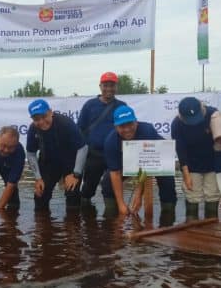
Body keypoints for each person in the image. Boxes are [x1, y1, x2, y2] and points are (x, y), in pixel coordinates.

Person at [101, 105, 177, 221]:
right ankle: (113, 213)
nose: (127, 129)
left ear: (136, 122)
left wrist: (138, 193)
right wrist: (122, 204)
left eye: (130, 124)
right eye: (122, 126)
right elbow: (115, 173)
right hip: (127, 161)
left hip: (156, 157)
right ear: (116, 127)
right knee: (107, 182)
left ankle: (168, 216)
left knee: (168, 180)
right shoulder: (110, 142)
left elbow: (146, 166)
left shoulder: (147, 131)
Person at [26, 99, 88, 211]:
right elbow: (31, 153)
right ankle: (42, 227)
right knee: (40, 195)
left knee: (72, 193)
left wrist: (76, 174)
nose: (41, 122)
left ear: (50, 112)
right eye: (36, 119)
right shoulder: (32, 129)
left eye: (44, 116)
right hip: (48, 163)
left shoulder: (66, 123)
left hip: (71, 164)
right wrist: (38, 178)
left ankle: (72, 227)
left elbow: (83, 148)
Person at [77, 72, 128, 206]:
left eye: (112, 85)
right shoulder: (89, 105)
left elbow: (128, 129)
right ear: (100, 86)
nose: (109, 89)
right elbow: (80, 129)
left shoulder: (123, 106)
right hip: (94, 155)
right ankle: (85, 220)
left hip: (115, 154)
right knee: (88, 189)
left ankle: (112, 220)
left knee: (110, 186)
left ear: (116, 87)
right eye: (106, 85)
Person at [171, 97, 220, 220]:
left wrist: (220, 167)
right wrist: (186, 174)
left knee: (212, 194)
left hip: (213, 162)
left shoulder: (214, 115)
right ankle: (191, 224)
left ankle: (212, 222)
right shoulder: (177, 124)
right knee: (192, 194)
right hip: (191, 164)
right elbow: (180, 150)